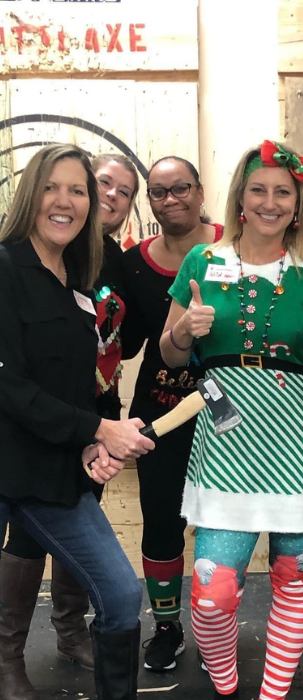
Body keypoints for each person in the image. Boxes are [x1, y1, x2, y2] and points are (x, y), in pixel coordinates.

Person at [160, 140, 303, 700]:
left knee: (296, 575)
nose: (270, 202)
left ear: (297, 205)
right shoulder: (202, 261)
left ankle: (273, 695)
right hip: (228, 433)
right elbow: (169, 355)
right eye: (259, 190)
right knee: (212, 588)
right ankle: (225, 683)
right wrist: (184, 331)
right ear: (240, 199)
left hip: (301, 435)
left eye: (283, 192)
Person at [0, 143, 154, 700]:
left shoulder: (77, 277)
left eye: (77, 190)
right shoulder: (4, 266)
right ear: (30, 194)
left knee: (118, 594)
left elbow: (78, 379)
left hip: (51, 472)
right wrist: (96, 431)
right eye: (52, 187)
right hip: (5, 461)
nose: (65, 201)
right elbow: (8, 384)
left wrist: (89, 442)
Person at [121, 155, 222, 672]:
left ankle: (216, 632)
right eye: (158, 193)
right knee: (161, 521)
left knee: (221, 526)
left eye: (180, 188)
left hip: (230, 420)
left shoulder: (234, 246)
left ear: (201, 192)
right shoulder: (132, 262)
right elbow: (124, 339)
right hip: (158, 414)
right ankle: (166, 627)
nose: (171, 199)